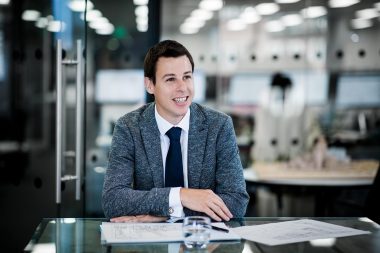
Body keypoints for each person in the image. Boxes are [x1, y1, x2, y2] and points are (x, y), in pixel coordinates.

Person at [102, 40, 249, 222]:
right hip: (150, 248)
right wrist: (181, 196)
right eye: (171, 79)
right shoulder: (129, 128)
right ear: (149, 85)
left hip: (202, 244)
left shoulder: (219, 126)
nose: (182, 88)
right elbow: (113, 200)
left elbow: (236, 201)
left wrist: (162, 215)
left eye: (187, 77)